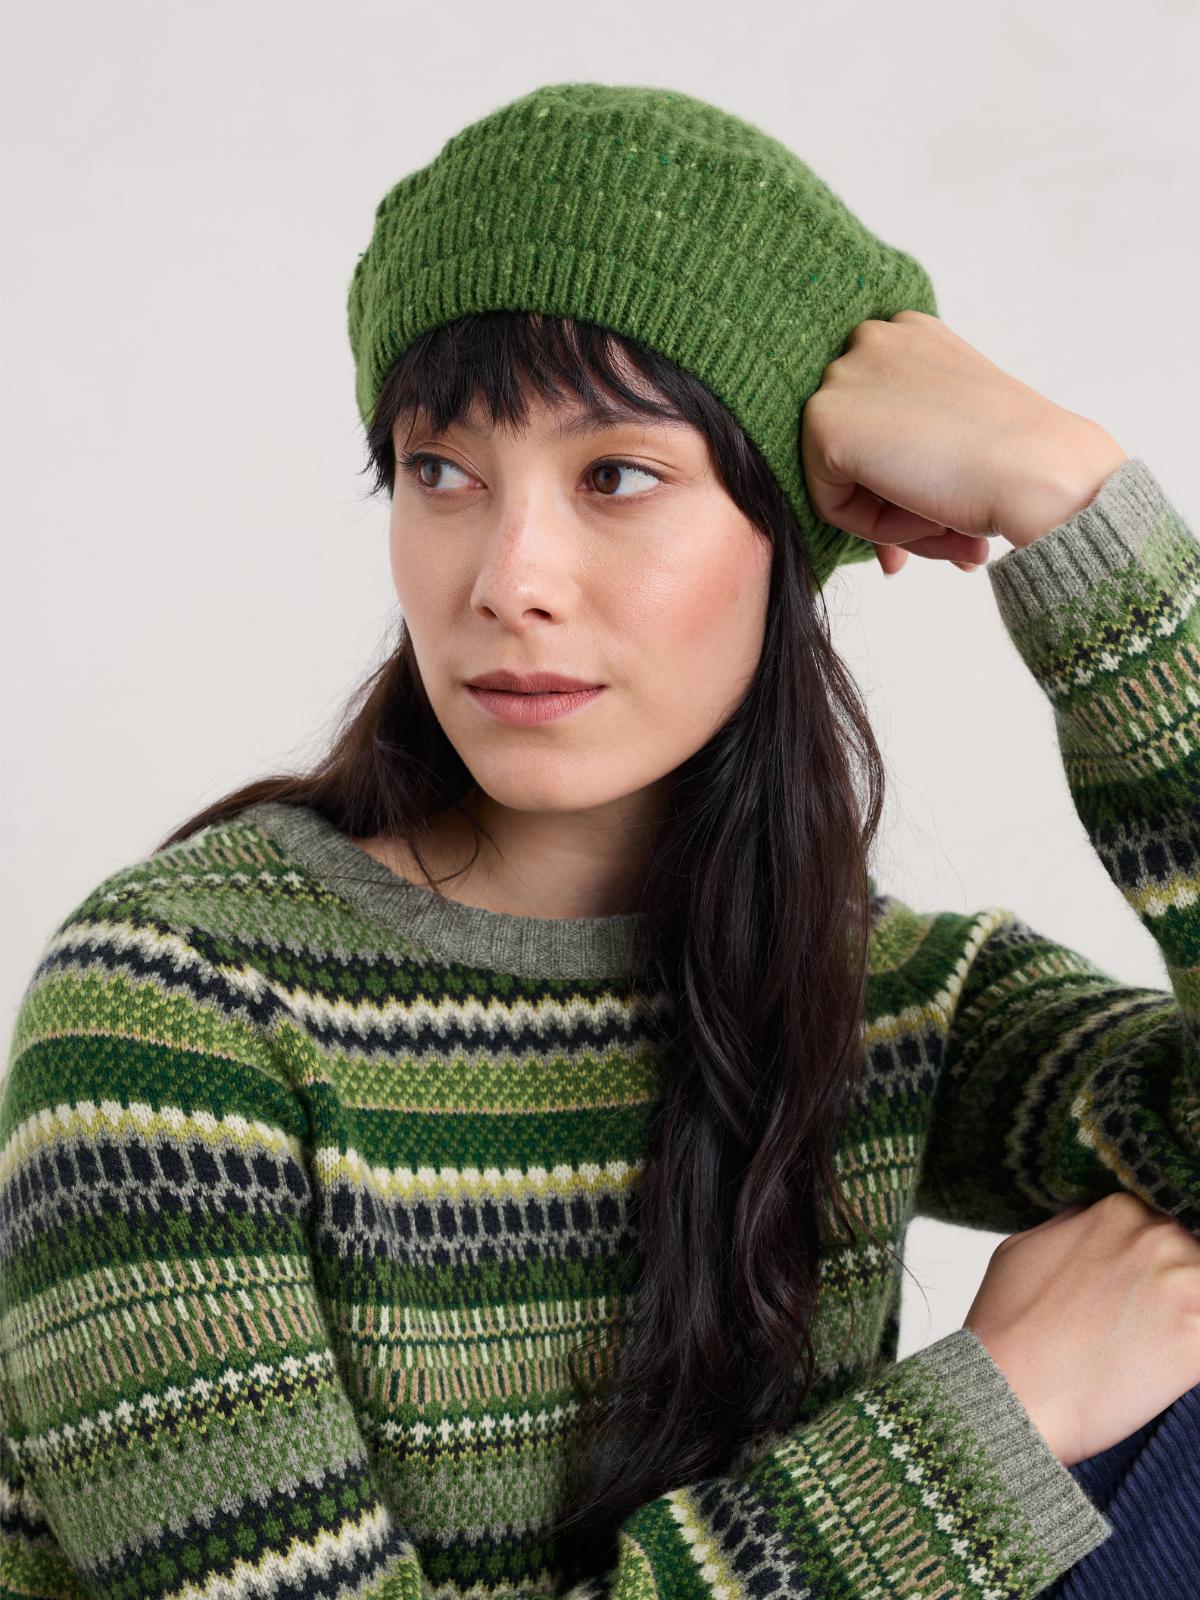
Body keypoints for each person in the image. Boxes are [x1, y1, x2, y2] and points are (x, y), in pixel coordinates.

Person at [2, 80, 1197, 1600]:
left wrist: (1076, 504)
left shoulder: (878, 1000)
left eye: (617, 475)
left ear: (787, 535)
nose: (510, 578)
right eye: (442, 472)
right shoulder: (175, 1008)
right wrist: (987, 1438)